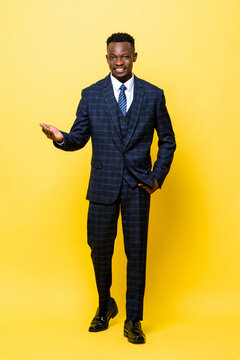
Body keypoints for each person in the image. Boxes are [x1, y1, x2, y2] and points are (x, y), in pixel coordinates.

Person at [40, 32, 176, 344]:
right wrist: (61, 138)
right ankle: (105, 305)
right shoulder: (91, 95)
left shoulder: (154, 95)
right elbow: (78, 136)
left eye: (125, 56)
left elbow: (168, 140)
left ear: (134, 57)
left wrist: (156, 177)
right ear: (107, 59)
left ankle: (133, 319)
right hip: (102, 186)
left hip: (138, 187)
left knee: (136, 254)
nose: (119, 62)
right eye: (113, 57)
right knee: (99, 250)